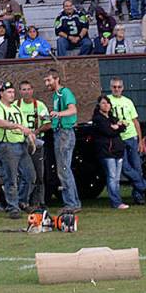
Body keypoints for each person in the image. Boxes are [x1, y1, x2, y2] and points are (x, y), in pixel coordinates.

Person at [0, 81, 35, 219]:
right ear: (1, 94)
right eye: (8, 92)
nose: (12, 94)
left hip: (20, 144)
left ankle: (21, 201)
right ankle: (13, 207)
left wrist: (31, 138)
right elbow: (0, 123)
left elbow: (26, 128)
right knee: (10, 178)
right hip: (6, 145)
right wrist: (18, 127)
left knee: (30, 176)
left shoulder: (17, 108)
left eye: (13, 92)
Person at [46, 68, 81, 213]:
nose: (46, 83)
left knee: (64, 170)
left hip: (64, 134)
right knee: (64, 169)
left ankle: (71, 203)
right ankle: (74, 202)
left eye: (49, 80)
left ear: (56, 79)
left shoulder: (64, 92)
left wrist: (58, 114)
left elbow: (73, 110)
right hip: (60, 133)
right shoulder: (56, 95)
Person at [109, 76, 146, 204]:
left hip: (131, 136)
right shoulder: (107, 100)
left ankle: (138, 196)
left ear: (123, 88)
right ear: (111, 88)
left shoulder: (128, 101)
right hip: (118, 138)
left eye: (119, 87)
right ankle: (144, 186)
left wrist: (140, 140)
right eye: (114, 87)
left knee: (137, 167)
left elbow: (135, 121)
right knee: (125, 167)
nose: (117, 89)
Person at [89, 95, 129, 209]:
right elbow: (108, 131)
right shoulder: (98, 119)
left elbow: (122, 127)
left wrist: (117, 127)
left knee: (116, 178)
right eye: (103, 103)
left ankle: (117, 200)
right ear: (99, 105)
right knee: (111, 176)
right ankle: (116, 202)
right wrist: (115, 127)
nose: (106, 105)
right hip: (106, 152)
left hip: (118, 150)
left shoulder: (112, 118)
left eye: (107, 103)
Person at [17, 79, 50, 208]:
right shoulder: (16, 105)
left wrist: (35, 132)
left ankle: (39, 202)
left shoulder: (40, 105)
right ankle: (23, 201)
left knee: (39, 173)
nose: (26, 92)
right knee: (24, 174)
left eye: (28, 89)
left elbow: (48, 124)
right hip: (21, 142)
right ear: (20, 91)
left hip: (36, 142)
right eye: (23, 89)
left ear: (32, 90)